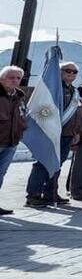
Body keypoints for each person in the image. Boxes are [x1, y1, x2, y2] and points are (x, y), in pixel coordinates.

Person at [26, 61, 80, 208]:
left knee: (57, 165)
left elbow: (76, 114)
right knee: (42, 163)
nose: (71, 74)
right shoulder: (51, 89)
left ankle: (50, 193)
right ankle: (33, 195)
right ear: (59, 72)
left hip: (66, 134)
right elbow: (42, 110)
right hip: (51, 133)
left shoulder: (74, 91)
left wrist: (76, 132)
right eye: (67, 70)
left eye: (74, 72)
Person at [0, 65, 27, 215]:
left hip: (10, 142)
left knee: (0, 175)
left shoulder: (19, 96)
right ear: (2, 79)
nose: (15, 81)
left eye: (18, 78)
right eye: (11, 77)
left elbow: (23, 116)